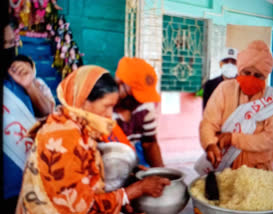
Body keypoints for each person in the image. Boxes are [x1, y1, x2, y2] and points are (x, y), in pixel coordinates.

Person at [16, 65, 170, 214]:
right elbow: (79, 208)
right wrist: (135, 191)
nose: (110, 115)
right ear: (83, 101)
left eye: (113, 107)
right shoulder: (62, 137)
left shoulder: (78, 128)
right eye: (106, 106)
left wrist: (131, 176)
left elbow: (88, 176)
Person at [199, 40, 273, 171]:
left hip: (258, 170)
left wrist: (234, 138)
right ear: (240, 70)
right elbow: (209, 122)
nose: (251, 78)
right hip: (226, 166)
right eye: (247, 73)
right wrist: (209, 143)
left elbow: (271, 138)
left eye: (258, 75)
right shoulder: (224, 89)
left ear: (265, 77)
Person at [3, 47, 55, 214]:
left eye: (11, 42)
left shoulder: (24, 83)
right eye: (6, 42)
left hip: (24, 180)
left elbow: (48, 111)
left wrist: (29, 84)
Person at [113, 57, 164, 167]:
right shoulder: (102, 110)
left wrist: (161, 173)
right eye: (136, 95)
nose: (139, 102)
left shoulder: (145, 106)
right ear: (119, 82)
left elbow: (150, 144)